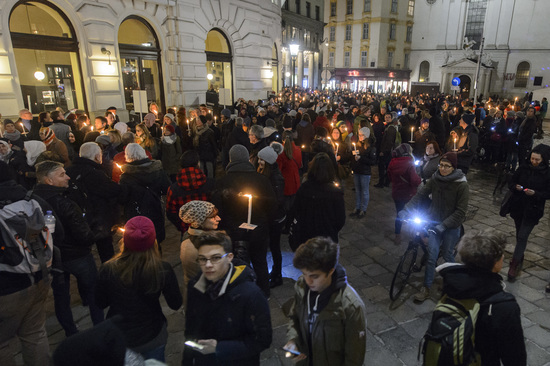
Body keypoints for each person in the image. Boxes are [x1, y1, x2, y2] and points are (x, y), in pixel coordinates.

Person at [0, 161, 63, 366]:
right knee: (36, 334)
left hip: (7, 287)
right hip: (40, 275)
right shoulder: (31, 199)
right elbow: (58, 233)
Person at [95, 216, 182, 362]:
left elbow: (100, 302)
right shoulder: (162, 269)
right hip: (152, 335)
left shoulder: (108, 269)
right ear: (153, 241)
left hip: (120, 337)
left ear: (125, 240)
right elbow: (175, 303)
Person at [34, 160, 104, 336]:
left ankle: (70, 332)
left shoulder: (33, 200)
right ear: (48, 180)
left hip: (53, 257)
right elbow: (83, 235)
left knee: (61, 296)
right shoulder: (64, 202)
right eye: (62, 174)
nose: (68, 177)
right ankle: (100, 328)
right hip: (77, 256)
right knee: (93, 291)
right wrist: (96, 233)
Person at [437, 229, 526, 365]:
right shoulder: (504, 306)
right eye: (501, 254)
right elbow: (514, 357)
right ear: (496, 263)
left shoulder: (451, 284)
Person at [182, 231, 272, 365]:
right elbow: (190, 330)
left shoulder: (251, 294)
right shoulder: (195, 286)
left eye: (216, 258)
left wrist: (219, 348)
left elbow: (262, 340)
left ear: (229, 257)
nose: (208, 265)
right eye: (202, 259)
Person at [284, 237, 367, 366]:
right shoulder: (302, 287)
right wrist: (293, 340)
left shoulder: (350, 305)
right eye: (304, 274)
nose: (308, 281)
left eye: (314, 276)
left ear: (330, 271)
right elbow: (294, 317)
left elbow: (354, 357)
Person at [399, 152, 469, 303]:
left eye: (447, 166)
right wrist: (406, 209)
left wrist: (444, 225)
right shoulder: (435, 179)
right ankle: (426, 288)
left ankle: (453, 284)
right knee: (431, 256)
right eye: (441, 165)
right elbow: (420, 195)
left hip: (451, 226)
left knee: (448, 256)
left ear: (453, 167)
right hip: (434, 223)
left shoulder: (461, 185)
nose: (443, 168)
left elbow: (461, 212)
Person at [212, 144, 276, 298]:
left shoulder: (222, 182)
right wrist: (264, 223)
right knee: (260, 262)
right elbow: (272, 206)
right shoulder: (262, 180)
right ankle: (263, 294)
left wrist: (225, 227)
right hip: (258, 230)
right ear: (247, 159)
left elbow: (217, 209)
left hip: (233, 232)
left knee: (237, 265)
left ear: (231, 159)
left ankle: (240, 294)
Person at [66, 142, 124, 263]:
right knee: (106, 251)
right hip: (98, 219)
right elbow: (112, 190)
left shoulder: (68, 171)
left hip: (78, 217)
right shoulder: (95, 173)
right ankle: (108, 274)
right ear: (97, 156)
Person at [506, 145, 550, 281]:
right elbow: (511, 182)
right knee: (519, 233)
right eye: (532, 158)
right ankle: (520, 256)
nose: (534, 162)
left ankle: (514, 264)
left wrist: (536, 193)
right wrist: (516, 187)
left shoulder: (547, 173)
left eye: (537, 160)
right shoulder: (524, 168)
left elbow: (548, 193)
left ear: (543, 160)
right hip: (518, 206)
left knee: (522, 235)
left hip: (533, 209)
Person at [120, 143, 171, 246]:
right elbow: (167, 188)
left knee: (140, 243)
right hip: (154, 208)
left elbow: (123, 197)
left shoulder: (126, 176)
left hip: (136, 212)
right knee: (156, 240)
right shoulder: (157, 170)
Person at [289, 153, 345, 245]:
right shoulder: (335, 193)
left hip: (307, 236)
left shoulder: (304, 188)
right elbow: (340, 220)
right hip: (328, 238)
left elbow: (296, 211)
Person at [178, 200, 220, 305]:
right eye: (213, 217)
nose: (219, 218)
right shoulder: (202, 247)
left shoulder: (188, 238)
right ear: (199, 221)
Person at [257, 146, 286, 288]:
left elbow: (278, 201)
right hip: (269, 217)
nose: (258, 162)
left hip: (274, 219)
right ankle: (274, 272)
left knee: (275, 247)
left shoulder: (276, 178)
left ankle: (277, 275)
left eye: (261, 159)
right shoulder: (267, 174)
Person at [387, 143, 421, 245]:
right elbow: (415, 180)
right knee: (413, 212)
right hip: (408, 193)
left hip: (397, 192)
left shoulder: (392, 162)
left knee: (399, 213)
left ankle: (397, 235)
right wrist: (420, 179)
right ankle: (415, 233)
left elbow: (389, 176)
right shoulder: (410, 162)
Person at [350, 127, 377, 218]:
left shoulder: (371, 148)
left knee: (364, 191)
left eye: (362, 135)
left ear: (367, 136)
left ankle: (363, 209)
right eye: (359, 135)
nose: (360, 137)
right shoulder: (357, 145)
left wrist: (361, 158)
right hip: (357, 170)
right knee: (357, 191)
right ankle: (357, 208)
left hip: (365, 172)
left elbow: (372, 162)